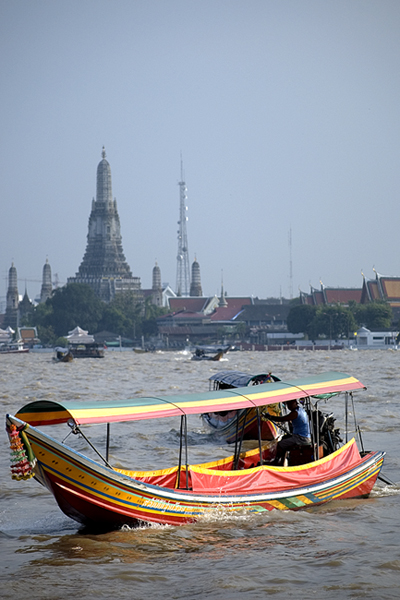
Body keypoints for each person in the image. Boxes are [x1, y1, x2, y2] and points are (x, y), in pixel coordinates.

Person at [267, 399, 311, 465]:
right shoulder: (301, 410)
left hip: (301, 438)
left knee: (279, 444)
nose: (289, 406)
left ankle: (277, 462)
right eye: (288, 404)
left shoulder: (295, 413)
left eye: (290, 404)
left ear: (295, 403)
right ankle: (284, 458)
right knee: (284, 438)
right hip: (304, 436)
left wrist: (270, 417)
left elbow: (282, 419)